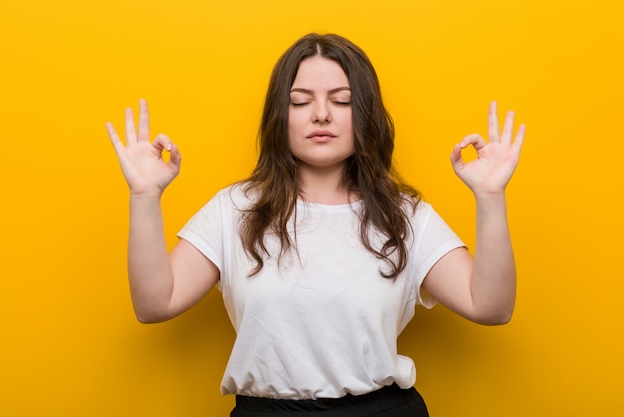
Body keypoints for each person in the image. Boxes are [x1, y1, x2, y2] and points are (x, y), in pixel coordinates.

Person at [106, 33, 525, 417]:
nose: (321, 115)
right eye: (301, 101)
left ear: (365, 115)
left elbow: (490, 307)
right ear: (279, 115)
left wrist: (490, 198)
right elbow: (154, 305)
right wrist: (144, 197)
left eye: (341, 101)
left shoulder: (405, 215)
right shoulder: (235, 209)